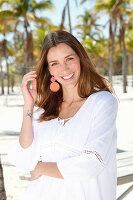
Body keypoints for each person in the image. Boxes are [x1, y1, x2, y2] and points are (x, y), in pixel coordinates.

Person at [8, 30, 118, 200]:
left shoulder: (102, 102)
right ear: (49, 70)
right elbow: (24, 158)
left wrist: (39, 168)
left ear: (80, 59)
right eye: (54, 63)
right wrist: (28, 105)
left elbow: (92, 164)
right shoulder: (43, 112)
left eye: (69, 59)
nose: (64, 69)